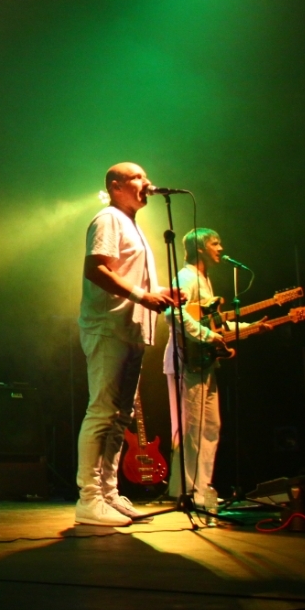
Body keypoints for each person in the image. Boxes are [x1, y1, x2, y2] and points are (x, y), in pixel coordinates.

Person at [76, 163, 178, 527]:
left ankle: (107, 492)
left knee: (121, 419)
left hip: (132, 332)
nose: (146, 183)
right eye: (137, 178)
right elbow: (96, 269)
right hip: (108, 329)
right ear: (116, 186)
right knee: (102, 412)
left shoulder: (132, 224)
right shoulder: (108, 219)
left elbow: (130, 275)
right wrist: (140, 294)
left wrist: (160, 293)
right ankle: (88, 498)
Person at [163, 228, 260, 513]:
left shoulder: (205, 280)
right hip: (186, 363)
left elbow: (213, 324)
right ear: (201, 248)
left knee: (210, 427)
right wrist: (208, 337)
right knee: (191, 429)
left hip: (203, 364)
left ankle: (202, 490)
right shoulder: (187, 277)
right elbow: (172, 315)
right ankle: (186, 491)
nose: (221, 247)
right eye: (215, 242)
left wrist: (253, 328)